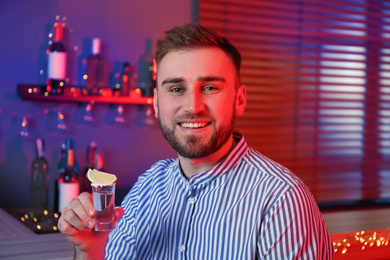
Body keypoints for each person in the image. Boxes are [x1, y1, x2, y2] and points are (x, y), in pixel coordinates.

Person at [58, 23, 334, 259]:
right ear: (155, 103)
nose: (193, 106)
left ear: (239, 100)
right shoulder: (146, 188)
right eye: (176, 89)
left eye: (210, 88)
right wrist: (91, 252)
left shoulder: (282, 200)